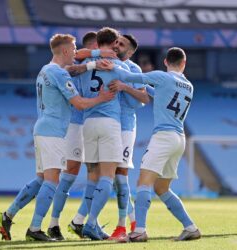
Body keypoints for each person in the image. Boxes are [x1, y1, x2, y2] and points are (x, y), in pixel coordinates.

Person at [0, 33, 114, 241]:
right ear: (66, 50)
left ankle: (8, 215)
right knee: (52, 181)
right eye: (75, 48)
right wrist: (101, 98)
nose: (76, 53)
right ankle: (35, 228)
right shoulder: (59, 74)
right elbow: (80, 104)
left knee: (41, 179)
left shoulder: (46, 70)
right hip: (53, 132)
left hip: (42, 128)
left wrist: (91, 64)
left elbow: (71, 71)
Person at [106, 47, 201, 242]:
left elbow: (128, 75)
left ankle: (139, 230)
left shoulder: (161, 76)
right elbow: (161, 95)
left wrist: (110, 66)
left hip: (164, 136)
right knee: (161, 188)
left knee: (143, 182)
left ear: (166, 62)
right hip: (179, 138)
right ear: (184, 64)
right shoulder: (188, 85)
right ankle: (190, 227)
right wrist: (133, 88)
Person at [47, 31, 111, 240]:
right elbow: (70, 69)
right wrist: (93, 58)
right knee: (70, 173)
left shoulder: (102, 62)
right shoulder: (74, 63)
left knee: (96, 174)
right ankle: (53, 223)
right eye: (94, 48)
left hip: (92, 122)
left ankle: (83, 220)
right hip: (76, 122)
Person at [78, 27, 130, 240]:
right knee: (108, 176)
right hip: (109, 123)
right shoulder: (118, 65)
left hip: (88, 122)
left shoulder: (83, 65)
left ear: (97, 42)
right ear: (115, 42)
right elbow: (138, 82)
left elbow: (73, 71)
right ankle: (90, 223)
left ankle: (92, 223)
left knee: (92, 176)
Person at [108, 34, 150, 240]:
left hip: (125, 127)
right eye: (116, 42)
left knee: (120, 174)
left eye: (121, 44)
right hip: (106, 126)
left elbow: (144, 98)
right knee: (113, 179)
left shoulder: (134, 69)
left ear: (131, 51)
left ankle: (121, 227)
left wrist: (124, 87)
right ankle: (133, 222)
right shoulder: (106, 63)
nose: (116, 45)